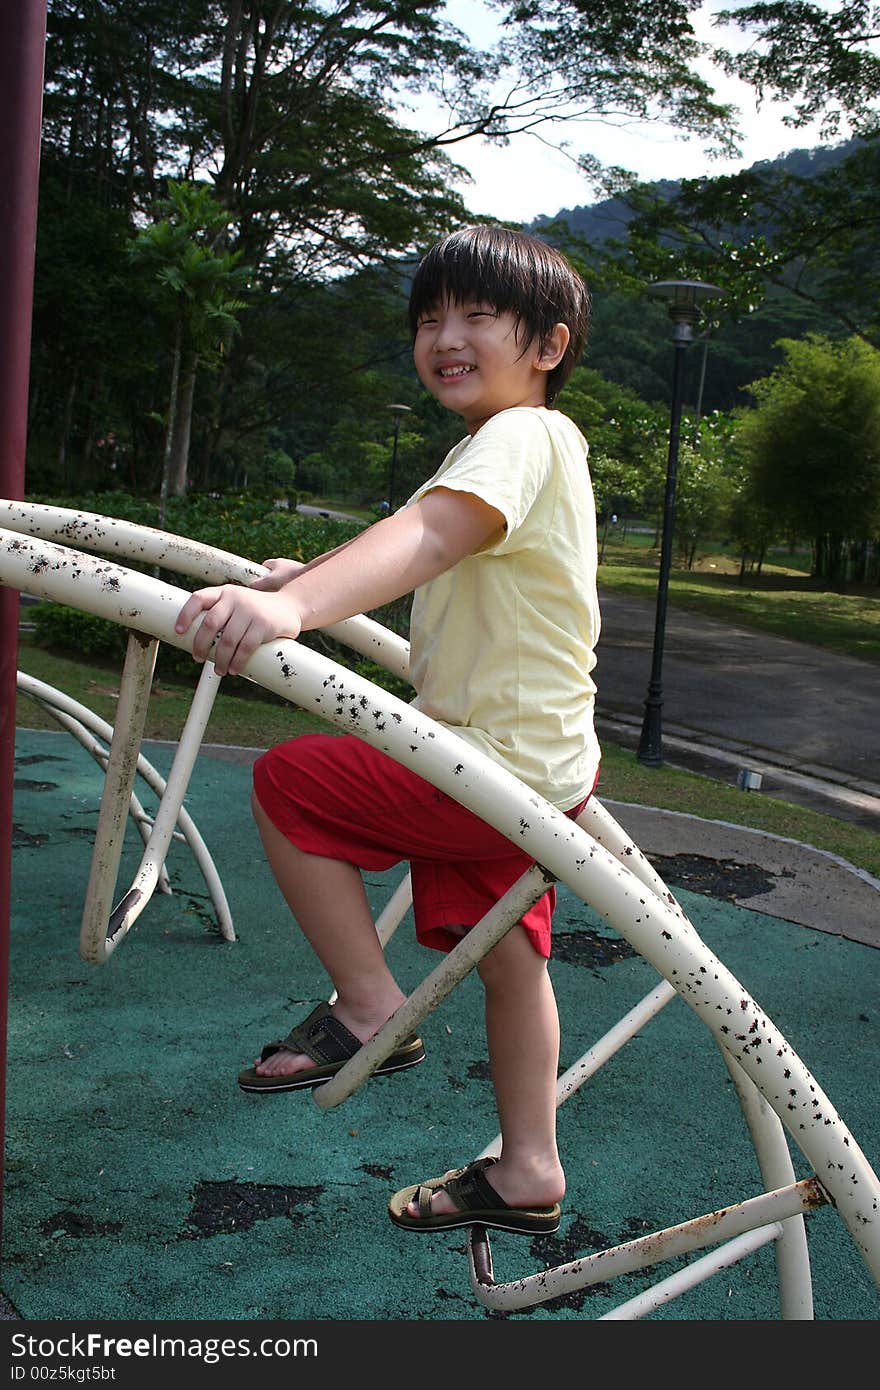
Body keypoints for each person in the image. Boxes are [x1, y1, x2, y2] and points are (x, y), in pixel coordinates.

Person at [175, 224, 601, 1237]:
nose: (443, 337)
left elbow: (429, 534)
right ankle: (530, 1164)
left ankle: (367, 1003)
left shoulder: (523, 436)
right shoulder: (513, 449)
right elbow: (430, 559)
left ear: (547, 344)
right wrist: (309, 582)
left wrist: (293, 609)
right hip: (535, 767)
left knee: (290, 781)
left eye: (473, 316)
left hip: (489, 762)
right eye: (427, 319)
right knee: (508, 962)